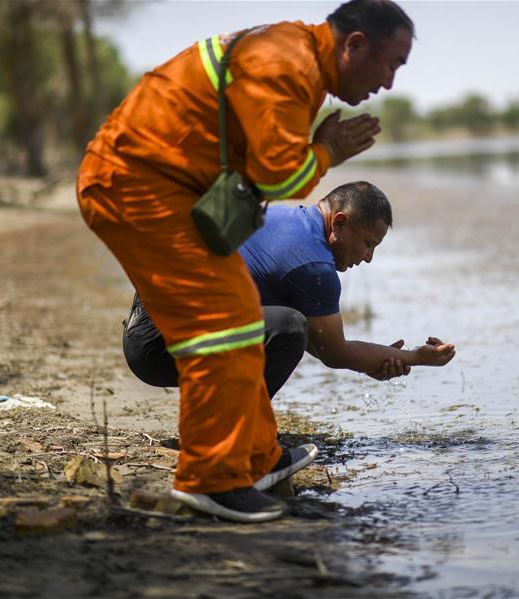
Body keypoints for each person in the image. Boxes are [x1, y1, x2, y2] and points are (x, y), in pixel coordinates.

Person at [76, 0, 415, 522]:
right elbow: (279, 179)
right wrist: (325, 151)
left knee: (237, 313)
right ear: (355, 44)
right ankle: (210, 480)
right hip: (134, 184)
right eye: (392, 62)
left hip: (169, 190)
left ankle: (256, 458)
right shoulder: (290, 64)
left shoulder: (301, 63)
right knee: (227, 320)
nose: (389, 82)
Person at [123, 181, 456, 402]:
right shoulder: (313, 267)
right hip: (159, 348)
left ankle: (229, 426)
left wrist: (377, 359)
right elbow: (333, 352)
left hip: (148, 326)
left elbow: (318, 342)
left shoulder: (279, 216)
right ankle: (238, 439)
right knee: (288, 327)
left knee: (288, 327)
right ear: (339, 223)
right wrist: (414, 357)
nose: (368, 257)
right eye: (369, 243)